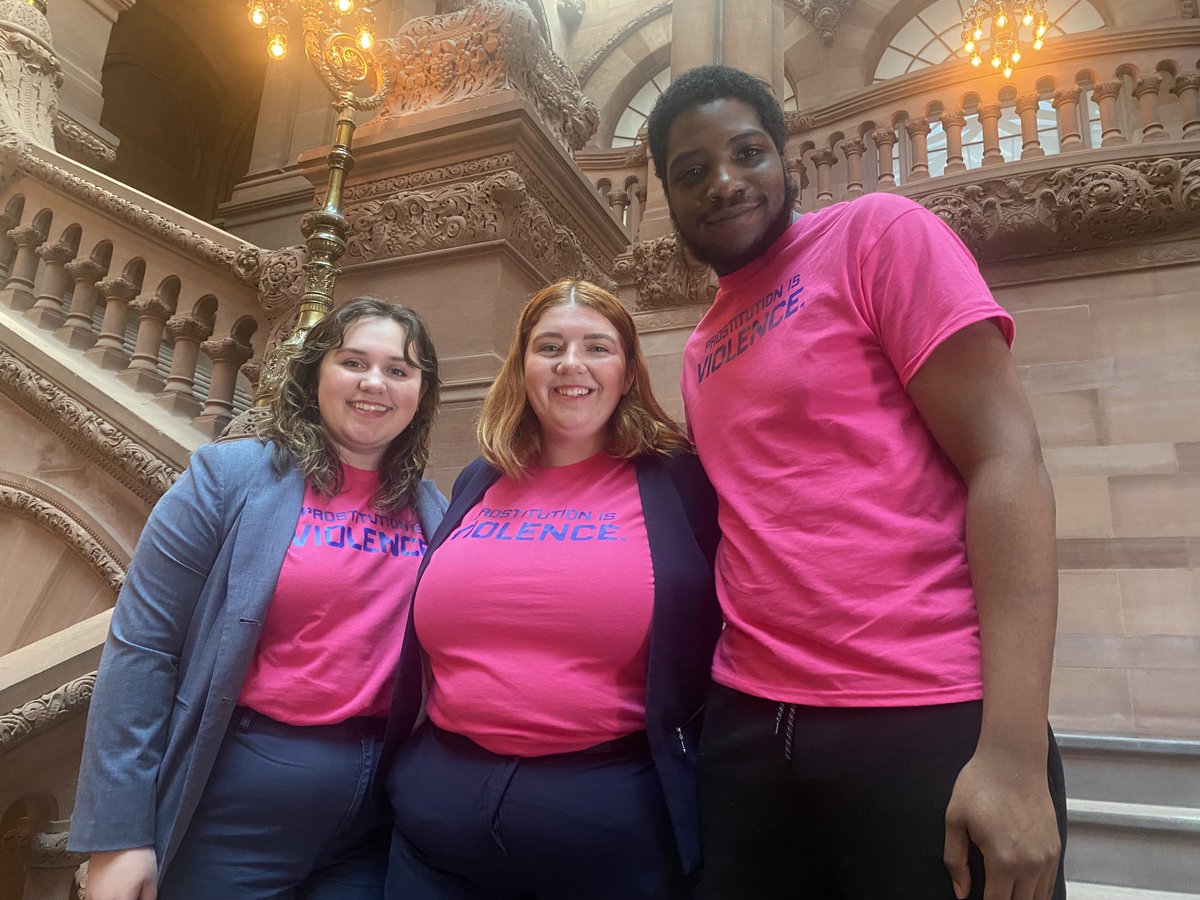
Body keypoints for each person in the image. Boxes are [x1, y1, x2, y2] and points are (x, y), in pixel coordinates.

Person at [645, 65, 1067, 900]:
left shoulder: (878, 234)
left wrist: (1013, 755)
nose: (724, 182)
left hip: (923, 713)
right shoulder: (698, 349)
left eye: (747, 153)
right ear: (667, 194)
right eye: (692, 171)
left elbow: (1006, 460)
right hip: (751, 728)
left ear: (785, 157)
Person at [69, 297, 448, 900]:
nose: (375, 382)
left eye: (400, 370)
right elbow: (143, 649)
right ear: (316, 372)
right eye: (354, 361)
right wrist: (118, 835)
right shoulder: (228, 478)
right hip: (239, 801)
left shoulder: (436, 511)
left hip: (375, 814)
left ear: (421, 394)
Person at [379, 279, 722, 899]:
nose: (572, 365)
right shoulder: (478, 480)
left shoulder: (680, 481)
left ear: (626, 371)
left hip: (609, 829)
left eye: (597, 347)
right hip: (436, 826)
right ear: (523, 367)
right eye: (549, 347)